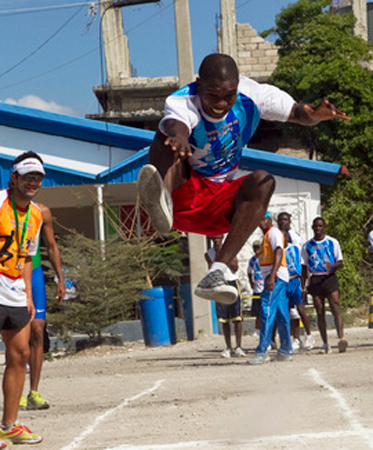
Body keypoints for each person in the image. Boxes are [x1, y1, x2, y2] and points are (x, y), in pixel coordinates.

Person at [137, 53, 350, 305]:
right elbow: (175, 122)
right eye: (212, 95)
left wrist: (314, 114)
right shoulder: (183, 99)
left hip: (220, 206)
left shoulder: (254, 95)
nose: (221, 103)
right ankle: (162, 199)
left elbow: (295, 112)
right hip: (185, 193)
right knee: (165, 137)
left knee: (263, 181)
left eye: (229, 95)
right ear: (199, 84)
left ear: (238, 84)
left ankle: (217, 272)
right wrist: (180, 136)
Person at [0, 151, 45, 445]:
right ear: (14, 177)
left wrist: (28, 295)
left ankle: (8, 425)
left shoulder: (36, 214)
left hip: (15, 289)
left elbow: (28, 257)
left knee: (20, 355)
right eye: (27, 176)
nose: (32, 181)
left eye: (37, 177)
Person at [19, 203, 65, 411]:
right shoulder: (3, 208)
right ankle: (16, 391)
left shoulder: (42, 211)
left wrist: (60, 279)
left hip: (35, 272)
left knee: (37, 328)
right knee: (17, 334)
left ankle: (33, 392)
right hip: (9, 274)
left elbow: (51, 245)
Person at [248, 212, 292, 365]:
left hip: (276, 277)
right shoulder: (266, 235)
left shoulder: (273, 233)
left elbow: (279, 252)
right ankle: (286, 350)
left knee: (266, 309)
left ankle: (262, 351)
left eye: (262, 219)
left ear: (268, 219)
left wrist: (272, 276)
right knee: (281, 313)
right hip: (276, 276)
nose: (259, 223)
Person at [301, 217, 347, 353]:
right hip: (315, 279)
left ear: (324, 227)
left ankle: (341, 338)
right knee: (319, 311)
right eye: (315, 226)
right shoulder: (306, 246)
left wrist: (332, 265)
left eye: (320, 226)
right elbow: (304, 267)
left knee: (335, 306)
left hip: (329, 278)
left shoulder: (332, 242)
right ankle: (325, 343)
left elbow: (340, 262)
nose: (318, 228)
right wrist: (303, 287)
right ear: (312, 227)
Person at [277, 212, 314, 350]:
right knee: (288, 311)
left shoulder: (296, 242)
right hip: (284, 280)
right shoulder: (277, 245)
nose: (283, 222)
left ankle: (309, 335)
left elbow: (303, 260)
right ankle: (295, 338)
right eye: (280, 220)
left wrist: (306, 279)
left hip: (296, 280)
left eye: (285, 219)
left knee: (300, 308)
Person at [205, 236, 245, 358]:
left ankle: (238, 346)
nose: (216, 240)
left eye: (218, 238)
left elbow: (234, 267)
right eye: (214, 238)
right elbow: (213, 270)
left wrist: (224, 253)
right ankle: (228, 347)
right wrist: (218, 253)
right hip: (220, 284)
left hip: (232, 282)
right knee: (224, 318)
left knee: (237, 316)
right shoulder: (209, 254)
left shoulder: (231, 248)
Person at [247, 240, 264, 337]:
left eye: (258, 247)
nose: (256, 250)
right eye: (255, 248)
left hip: (264, 287)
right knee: (257, 312)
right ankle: (257, 329)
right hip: (257, 287)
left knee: (265, 311)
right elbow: (249, 272)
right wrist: (251, 283)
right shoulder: (252, 260)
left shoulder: (264, 258)